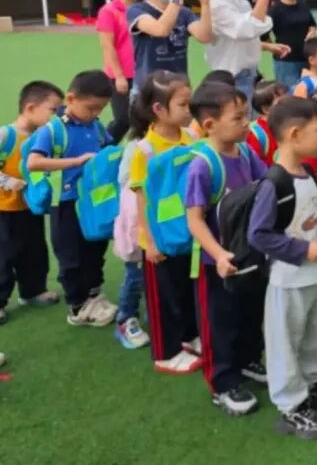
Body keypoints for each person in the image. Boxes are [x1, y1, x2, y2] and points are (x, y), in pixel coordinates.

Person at [249, 96, 317, 440]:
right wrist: (305, 248)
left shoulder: (308, 174)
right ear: (294, 134)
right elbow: (259, 234)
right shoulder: (273, 183)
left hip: (314, 276)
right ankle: (291, 406)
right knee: (285, 343)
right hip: (287, 280)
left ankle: (313, 384)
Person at [184, 83, 268, 416]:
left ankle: (249, 360)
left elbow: (267, 186)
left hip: (247, 255)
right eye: (238, 118)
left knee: (250, 313)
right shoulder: (202, 166)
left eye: (245, 115)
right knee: (219, 323)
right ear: (209, 125)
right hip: (214, 263)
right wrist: (218, 254)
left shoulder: (246, 152)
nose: (246, 123)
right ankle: (222, 383)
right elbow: (195, 220)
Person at [25, 70, 118, 328]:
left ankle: (93, 297)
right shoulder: (53, 130)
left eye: (100, 109)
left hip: (91, 202)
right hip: (64, 204)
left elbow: (107, 150)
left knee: (94, 249)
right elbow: (34, 162)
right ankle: (77, 307)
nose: (95, 113)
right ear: (71, 98)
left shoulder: (96, 126)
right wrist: (76, 162)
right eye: (91, 108)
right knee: (71, 256)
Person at [126, 71, 201, 372]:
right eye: (183, 105)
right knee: (164, 297)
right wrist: (151, 241)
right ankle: (165, 353)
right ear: (158, 109)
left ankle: (189, 337)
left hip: (187, 232)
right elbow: (141, 202)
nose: (189, 110)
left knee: (186, 290)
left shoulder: (191, 138)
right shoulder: (144, 150)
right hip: (160, 239)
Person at [0, 81, 63, 325]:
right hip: (4, 210)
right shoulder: (6, 135)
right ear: (30, 107)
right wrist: (6, 181)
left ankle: (33, 290)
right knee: (4, 256)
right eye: (53, 109)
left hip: (30, 207)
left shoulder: (42, 138)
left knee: (34, 250)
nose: (56, 115)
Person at [204, 0, 287, 104]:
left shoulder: (242, 3)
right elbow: (245, 31)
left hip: (252, 74)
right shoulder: (214, 4)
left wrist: (268, 46)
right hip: (232, 78)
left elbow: (252, 31)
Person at [128, 0, 213, 92]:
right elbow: (161, 30)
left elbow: (204, 36)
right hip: (148, 89)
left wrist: (205, 3)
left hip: (179, 88)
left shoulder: (183, 12)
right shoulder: (137, 10)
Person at [96, 0, 140, 141]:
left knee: (145, 118)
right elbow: (108, 46)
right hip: (121, 75)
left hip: (143, 72)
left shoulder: (142, 8)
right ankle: (101, 148)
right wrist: (119, 76)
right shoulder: (108, 11)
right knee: (123, 119)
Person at [268, 0, 317, 91]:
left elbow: (312, 24)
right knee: (289, 93)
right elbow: (263, 34)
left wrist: (312, 31)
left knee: (309, 91)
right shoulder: (275, 10)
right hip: (286, 62)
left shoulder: (303, 5)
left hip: (306, 57)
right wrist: (274, 48)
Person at [247, 80, 288, 167]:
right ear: (266, 109)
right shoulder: (255, 135)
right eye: (282, 103)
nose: (289, 105)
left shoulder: (290, 125)